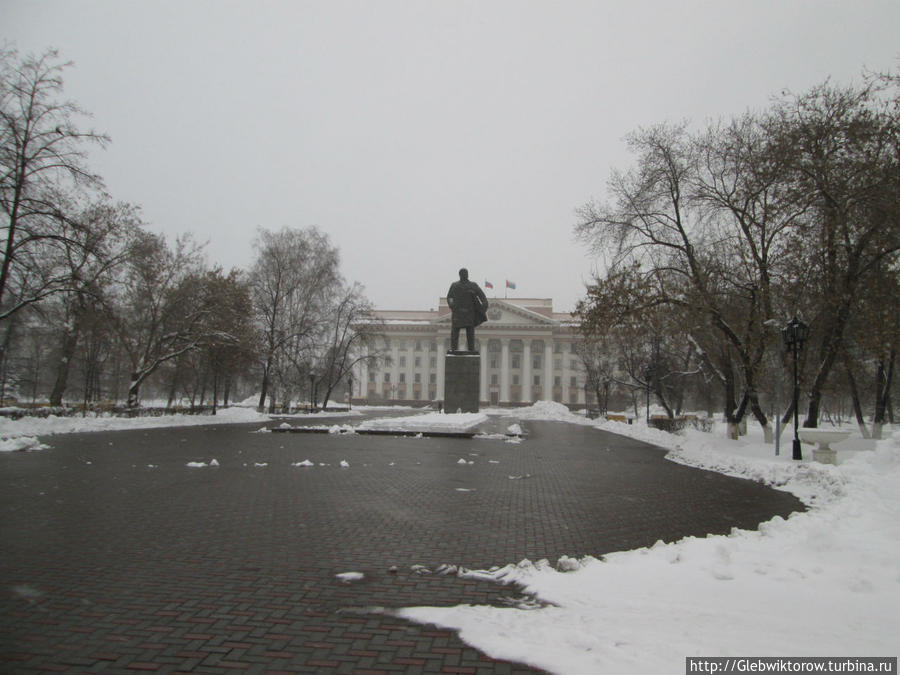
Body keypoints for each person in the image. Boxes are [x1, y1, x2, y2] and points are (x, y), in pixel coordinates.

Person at [446, 268, 488, 353]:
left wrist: (483, 307)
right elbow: (449, 297)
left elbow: (482, 297)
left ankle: (471, 349)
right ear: (460, 275)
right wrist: (451, 305)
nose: (464, 275)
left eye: (465, 273)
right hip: (457, 312)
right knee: (454, 332)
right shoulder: (454, 285)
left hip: (469, 313)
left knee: (470, 332)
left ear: (467, 274)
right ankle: (453, 349)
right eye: (462, 274)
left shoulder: (473, 285)